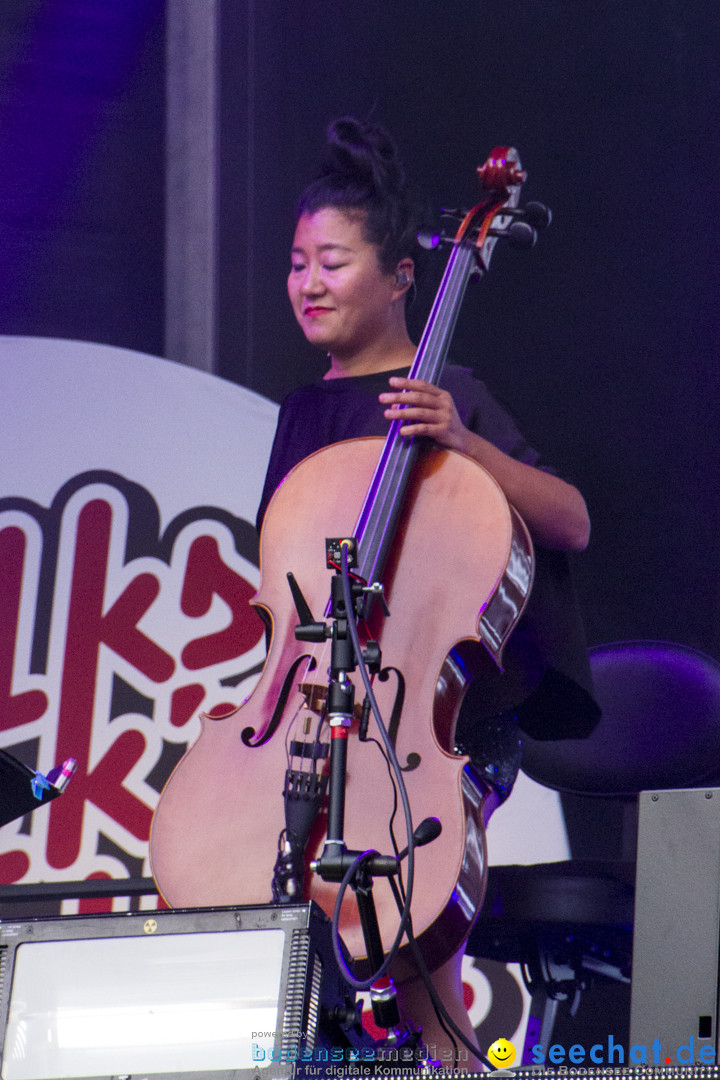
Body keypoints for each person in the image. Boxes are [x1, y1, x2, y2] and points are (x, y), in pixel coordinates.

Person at [257, 116, 598, 1061]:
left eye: (331, 261)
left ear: (404, 275)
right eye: (296, 262)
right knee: (291, 971)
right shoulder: (305, 413)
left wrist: (460, 439)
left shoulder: (448, 396)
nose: (308, 282)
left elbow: (569, 520)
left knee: (414, 971)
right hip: (321, 720)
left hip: (436, 728)